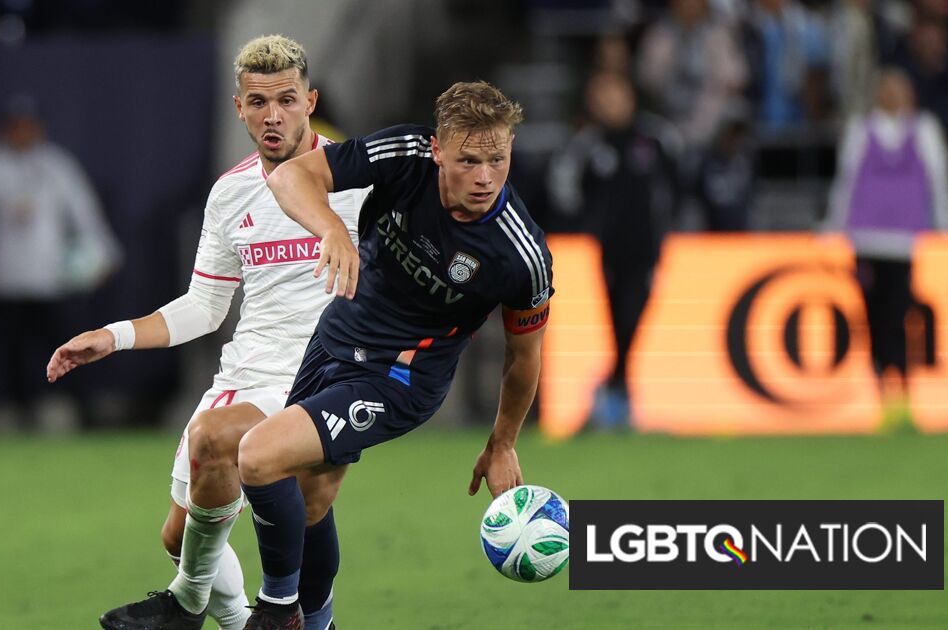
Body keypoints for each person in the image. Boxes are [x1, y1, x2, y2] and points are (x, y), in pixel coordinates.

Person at [44, 35, 368, 630]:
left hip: (325, 373)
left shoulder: (360, 180)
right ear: (239, 108)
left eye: (288, 100)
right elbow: (205, 306)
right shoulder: (231, 191)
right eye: (259, 102)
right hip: (247, 371)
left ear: (310, 100)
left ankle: (193, 606)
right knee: (180, 536)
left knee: (286, 489)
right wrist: (112, 336)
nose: (274, 115)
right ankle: (240, 619)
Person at [235, 80, 553, 628]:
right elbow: (290, 176)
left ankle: (277, 608)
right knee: (310, 501)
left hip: (400, 378)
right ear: (437, 149)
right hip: (336, 335)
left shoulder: (520, 256)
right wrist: (331, 226)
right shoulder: (405, 155)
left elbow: (523, 358)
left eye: (497, 160)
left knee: (258, 457)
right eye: (467, 160)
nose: (483, 177)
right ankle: (319, 622)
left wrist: (502, 444)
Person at [0, 94, 121, 428]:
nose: (22, 132)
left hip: (49, 279)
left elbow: (84, 215)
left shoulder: (57, 165)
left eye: (28, 126)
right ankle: (19, 415)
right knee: (10, 355)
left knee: (70, 349)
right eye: (16, 126)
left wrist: (103, 253)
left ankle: (84, 414)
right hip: (4, 279)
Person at [824, 68, 948, 429]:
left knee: (901, 314)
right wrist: (834, 226)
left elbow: (938, 180)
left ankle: (904, 386)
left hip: (903, 242)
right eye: (887, 89)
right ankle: (881, 387)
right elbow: (847, 182)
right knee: (872, 316)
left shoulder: (924, 130)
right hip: (867, 239)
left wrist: (946, 223)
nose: (893, 95)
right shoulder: (860, 131)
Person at [547, 72, 679, 429]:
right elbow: (564, 186)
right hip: (608, 252)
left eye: (615, 95)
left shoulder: (654, 137)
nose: (610, 104)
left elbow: (679, 180)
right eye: (602, 98)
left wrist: (675, 224)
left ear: (630, 96)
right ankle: (617, 394)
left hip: (648, 249)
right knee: (616, 320)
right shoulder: (589, 145)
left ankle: (612, 387)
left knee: (632, 320)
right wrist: (584, 225)